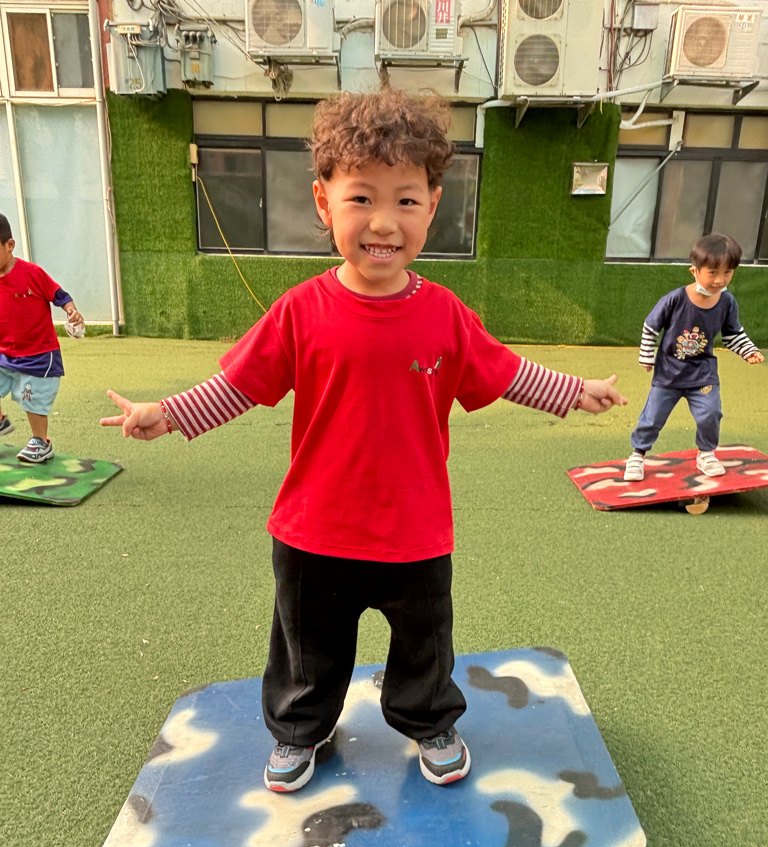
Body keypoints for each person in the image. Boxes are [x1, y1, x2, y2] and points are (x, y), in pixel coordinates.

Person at [101, 90, 626, 794]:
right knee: (306, 649)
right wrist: (165, 413)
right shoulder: (300, 311)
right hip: (315, 530)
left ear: (433, 205)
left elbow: (503, 371)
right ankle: (300, 731)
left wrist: (573, 391)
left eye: (406, 201)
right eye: (361, 199)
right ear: (324, 202)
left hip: (415, 530)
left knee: (424, 646)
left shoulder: (445, 314)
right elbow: (240, 385)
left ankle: (428, 720)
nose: (384, 222)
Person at [624, 233, 763, 482]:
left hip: (702, 373)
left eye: (728, 272)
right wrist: (646, 356)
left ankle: (706, 454)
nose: (720, 280)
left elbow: (733, 334)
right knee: (652, 417)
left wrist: (748, 351)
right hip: (669, 373)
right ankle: (638, 455)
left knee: (711, 414)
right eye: (713, 272)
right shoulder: (676, 299)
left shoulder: (727, 302)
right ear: (695, 271)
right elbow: (651, 326)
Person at [0, 213, 85, 462]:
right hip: (4, 352)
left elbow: (59, 295)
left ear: (10, 245)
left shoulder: (32, 273)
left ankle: (40, 441)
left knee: (32, 399)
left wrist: (71, 311)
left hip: (37, 355)